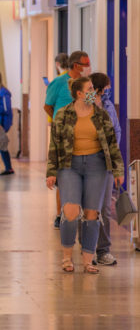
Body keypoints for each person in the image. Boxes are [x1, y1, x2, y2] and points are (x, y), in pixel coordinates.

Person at [46, 77, 124, 274]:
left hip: (97, 166)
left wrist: (118, 170)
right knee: (71, 211)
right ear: (79, 93)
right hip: (69, 166)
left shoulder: (101, 115)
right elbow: (54, 145)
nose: (94, 92)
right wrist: (51, 172)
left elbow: (112, 144)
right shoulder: (63, 114)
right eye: (89, 89)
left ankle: (88, 260)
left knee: (92, 214)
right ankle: (66, 256)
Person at [44, 51, 90, 229]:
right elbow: (48, 106)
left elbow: (93, 104)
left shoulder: (88, 84)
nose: (88, 68)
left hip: (84, 136)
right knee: (62, 175)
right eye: (85, 64)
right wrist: (59, 121)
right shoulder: (58, 83)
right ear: (76, 65)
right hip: (64, 136)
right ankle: (60, 213)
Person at [91, 72, 121, 266]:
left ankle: (103, 250)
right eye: (107, 86)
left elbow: (116, 130)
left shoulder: (109, 106)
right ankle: (87, 248)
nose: (109, 89)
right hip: (87, 162)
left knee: (104, 209)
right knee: (89, 209)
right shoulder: (85, 105)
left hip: (107, 164)